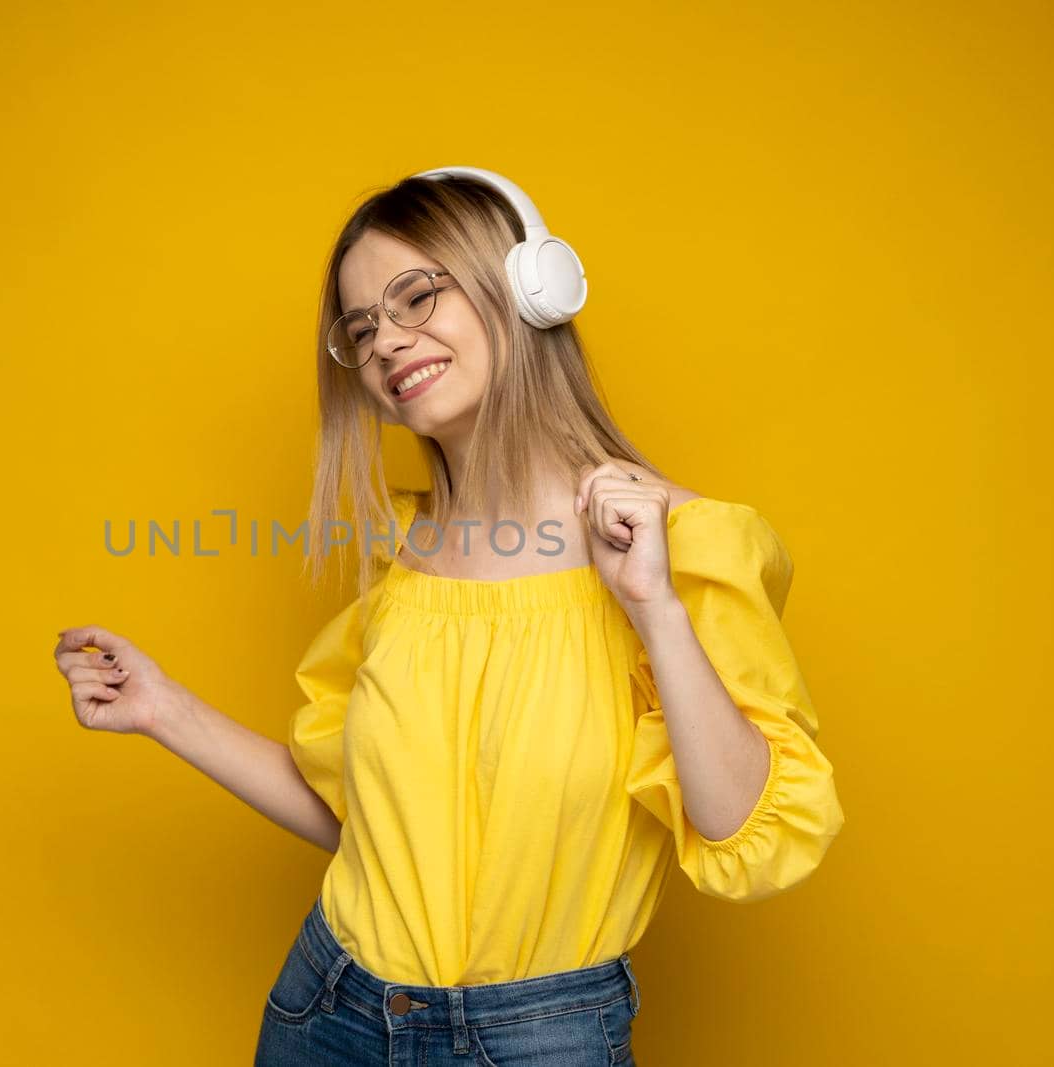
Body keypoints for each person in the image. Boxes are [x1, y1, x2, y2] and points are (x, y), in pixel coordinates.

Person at [54, 167, 845, 1066]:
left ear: (527, 289)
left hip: (542, 1038)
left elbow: (746, 829)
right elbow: (369, 827)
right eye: (363, 329)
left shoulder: (686, 545)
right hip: (329, 1012)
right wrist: (164, 709)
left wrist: (655, 607)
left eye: (416, 296)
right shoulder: (404, 549)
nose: (388, 342)